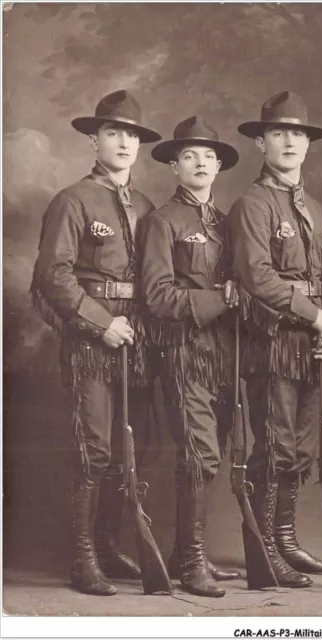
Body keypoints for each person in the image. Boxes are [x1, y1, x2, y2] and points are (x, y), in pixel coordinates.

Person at [30, 89, 162, 596]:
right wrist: (99, 321)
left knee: (131, 450)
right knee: (95, 448)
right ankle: (83, 560)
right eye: (114, 132)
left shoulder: (149, 206)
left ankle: (108, 547)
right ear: (94, 138)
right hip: (93, 341)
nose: (125, 142)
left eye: (132, 134)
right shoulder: (73, 200)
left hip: (140, 342)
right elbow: (52, 275)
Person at [227, 91, 322, 588]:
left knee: (300, 448)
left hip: (310, 341)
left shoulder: (316, 209)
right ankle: (264, 549)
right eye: (279, 133)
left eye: (298, 133)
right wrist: (314, 314)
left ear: (308, 144)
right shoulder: (252, 203)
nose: (290, 141)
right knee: (273, 446)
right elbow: (256, 276)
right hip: (272, 341)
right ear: (260, 141)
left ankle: (288, 541)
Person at [139, 116, 240, 598]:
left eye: (208, 156)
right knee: (201, 454)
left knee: (210, 455)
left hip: (224, 355)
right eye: (189, 156)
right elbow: (156, 295)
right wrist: (222, 299)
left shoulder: (228, 224)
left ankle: (185, 551)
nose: (199, 163)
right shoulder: (163, 221)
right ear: (174, 166)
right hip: (182, 352)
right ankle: (192, 561)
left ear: (218, 165)